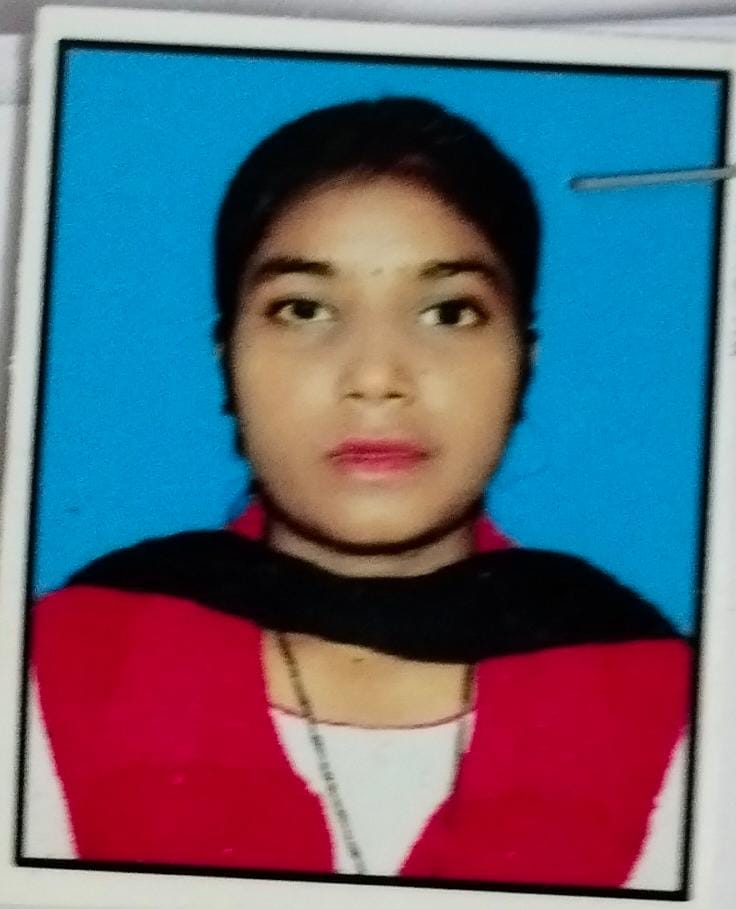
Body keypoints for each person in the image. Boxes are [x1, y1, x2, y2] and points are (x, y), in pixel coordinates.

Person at [26, 97, 690, 890]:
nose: (376, 377)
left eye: (449, 312)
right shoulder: (57, 668)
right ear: (226, 357)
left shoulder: (672, 699)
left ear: (524, 363)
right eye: (304, 309)